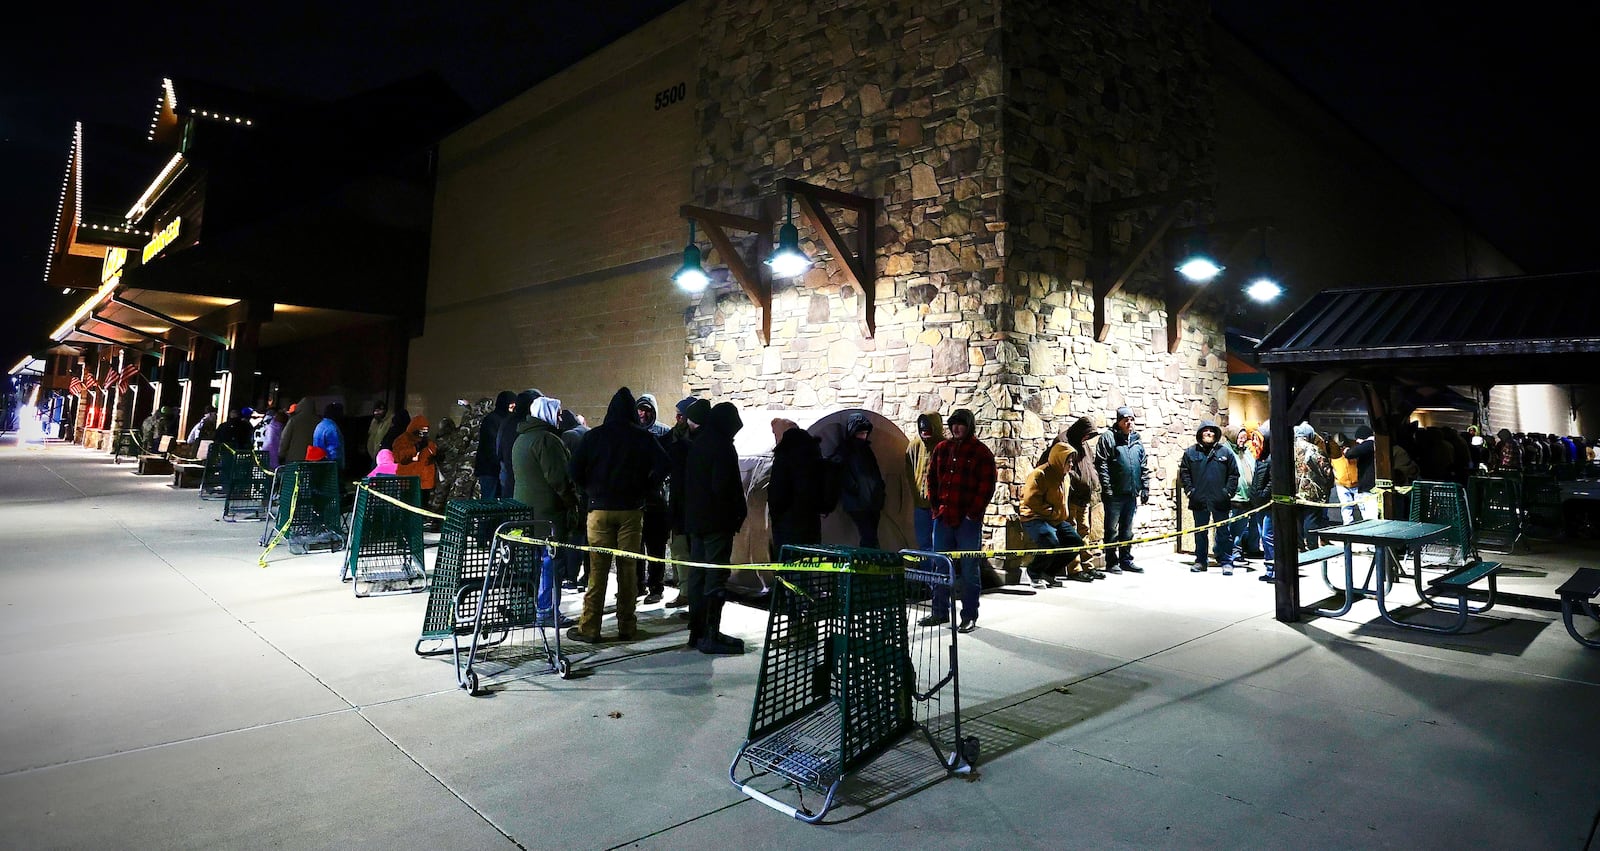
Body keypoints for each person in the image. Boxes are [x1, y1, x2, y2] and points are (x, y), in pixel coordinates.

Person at [567, 387, 668, 645]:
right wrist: (646, 489)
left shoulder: (594, 436)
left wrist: (589, 490)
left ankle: (590, 628)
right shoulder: (643, 437)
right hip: (631, 511)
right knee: (628, 569)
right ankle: (627, 627)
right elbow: (664, 464)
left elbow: (574, 469)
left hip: (599, 510)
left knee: (597, 572)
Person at [924, 408, 996, 633]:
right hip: (944, 517)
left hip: (968, 521)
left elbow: (986, 487)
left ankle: (969, 615)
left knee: (969, 568)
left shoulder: (981, 452)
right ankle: (939, 611)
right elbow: (932, 479)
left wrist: (972, 514)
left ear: (969, 426)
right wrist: (936, 508)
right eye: (953, 424)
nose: (956, 428)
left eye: (961, 424)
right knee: (940, 566)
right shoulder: (941, 449)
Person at [683, 401, 747, 653]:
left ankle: (697, 631)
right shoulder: (721, 446)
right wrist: (735, 514)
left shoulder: (699, 443)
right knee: (715, 576)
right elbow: (723, 487)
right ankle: (711, 634)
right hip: (716, 523)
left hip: (697, 523)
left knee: (698, 575)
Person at [513, 396, 578, 628]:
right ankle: (547, 610)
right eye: (558, 413)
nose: (561, 417)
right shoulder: (547, 440)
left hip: (526, 513)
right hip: (548, 515)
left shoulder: (522, 438)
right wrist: (573, 502)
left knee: (532, 564)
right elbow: (559, 479)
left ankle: (531, 608)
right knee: (551, 563)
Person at [1020, 442, 1088, 586]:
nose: (1071, 465)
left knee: (1075, 542)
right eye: (1068, 461)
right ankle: (1033, 573)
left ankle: (1048, 573)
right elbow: (1031, 500)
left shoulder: (1065, 477)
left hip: (1055, 519)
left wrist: (1060, 514)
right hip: (1034, 517)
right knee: (1050, 541)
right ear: (1059, 459)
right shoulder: (1040, 474)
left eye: (1071, 462)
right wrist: (1052, 512)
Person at [1179, 420, 1240, 574]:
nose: (1209, 433)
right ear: (1200, 433)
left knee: (1223, 533)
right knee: (1200, 533)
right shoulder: (1190, 453)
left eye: (1212, 431)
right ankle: (1200, 561)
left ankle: (1226, 561)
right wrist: (1190, 491)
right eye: (1205, 430)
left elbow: (1234, 474)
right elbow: (1184, 473)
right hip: (1199, 500)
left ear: (1216, 434)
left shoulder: (1225, 452)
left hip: (1221, 500)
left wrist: (1227, 493)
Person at [1094, 406, 1149, 574]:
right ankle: (1111, 561)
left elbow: (1143, 465)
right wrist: (1107, 488)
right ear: (1118, 421)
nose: (1129, 422)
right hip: (1115, 494)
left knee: (1127, 530)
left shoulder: (1137, 441)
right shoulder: (1108, 438)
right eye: (1125, 419)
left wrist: (1145, 486)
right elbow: (1101, 464)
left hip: (1131, 493)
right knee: (1111, 530)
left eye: (1131, 419)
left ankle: (1126, 559)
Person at [665, 398, 703, 608]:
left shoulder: (699, 442)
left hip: (692, 505)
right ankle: (685, 591)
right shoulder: (671, 438)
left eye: (682, 415)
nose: (678, 419)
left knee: (693, 551)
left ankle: (691, 595)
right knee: (679, 549)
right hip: (678, 504)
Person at [769, 417, 824, 561]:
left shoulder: (783, 456)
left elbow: (777, 493)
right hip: (811, 522)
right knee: (807, 566)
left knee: (788, 568)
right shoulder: (813, 453)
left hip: (788, 525)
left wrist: (776, 516)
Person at [635, 394, 672, 602]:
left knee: (656, 547)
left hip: (657, 501)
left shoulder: (663, 432)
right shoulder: (633, 433)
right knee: (636, 547)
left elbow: (668, 465)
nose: (643, 413)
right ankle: (637, 585)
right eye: (640, 409)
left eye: (647, 409)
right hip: (637, 501)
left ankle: (656, 587)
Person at [837, 411, 887, 548]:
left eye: (865, 433)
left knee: (871, 536)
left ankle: (870, 563)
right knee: (869, 536)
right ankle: (867, 564)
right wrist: (856, 489)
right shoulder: (846, 450)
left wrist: (879, 492)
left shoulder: (866, 450)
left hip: (870, 501)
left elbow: (875, 474)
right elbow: (843, 474)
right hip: (858, 502)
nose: (863, 436)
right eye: (860, 433)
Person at [1065, 417, 1106, 580]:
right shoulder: (1064, 441)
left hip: (1084, 497)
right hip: (1071, 496)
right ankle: (1074, 568)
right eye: (1086, 435)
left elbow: (1090, 465)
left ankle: (1087, 565)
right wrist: (1075, 484)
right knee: (1072, 533)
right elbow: (1062, 466)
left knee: (1084, 531)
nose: (1087, 438)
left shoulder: (1084, 444)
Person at [557, 407, 591, 589]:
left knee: (575, 536)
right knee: (589, 538)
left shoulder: (568, 436)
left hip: (578, 493)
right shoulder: (588, 432)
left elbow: (565, 468)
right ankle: (587, 577)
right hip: (592, 493)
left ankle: (570, 576)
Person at [904, 412, 945, 552]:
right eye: (922, 431)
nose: (925, 434)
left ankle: (940, 573)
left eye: (928, 431)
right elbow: (909, 470)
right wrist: (915, 494)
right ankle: (926, 572)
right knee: (923, 544)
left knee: (939, 545)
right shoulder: (915, 445)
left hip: (939, 507)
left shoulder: (945, 447)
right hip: (920, 506)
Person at [497, 389, 541, 497]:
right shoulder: (530, 424)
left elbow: (498, 450)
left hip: (508, 476)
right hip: (525, 481)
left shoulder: (506, 421)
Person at [475, 391, 516, 499]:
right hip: (490, 470)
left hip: (498, 468)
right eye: (511, 406)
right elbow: (490, 446)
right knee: (490, 501)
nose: (512, 410)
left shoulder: (504, 420)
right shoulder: (492, 420)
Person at [1228, 426, 1260, 567]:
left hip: (1248, 497)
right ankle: (1232, 553)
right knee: (1231, 528)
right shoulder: (1226, 451)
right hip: (1233, 497)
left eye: (1244, 437)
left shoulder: (1247, 452)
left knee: (1241, 529)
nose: (1243, 440)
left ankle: (1240, 551)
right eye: (1240, 437)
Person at [392, 415, 439, 505]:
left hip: (424, 483)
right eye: (422, 430)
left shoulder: (427, 442)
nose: (424, 432)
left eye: (426, 430)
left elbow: (432, 453)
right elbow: (399, 457)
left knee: (422, 506)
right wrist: (415, 449)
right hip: (408, 481)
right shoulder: (403, 439)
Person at [1250, 421, 1276, 582]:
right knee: (1264, 536)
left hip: (1267, 504)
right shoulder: (1260, 457)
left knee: (1268, 536)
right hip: (1259, 503)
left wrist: (1262, 495)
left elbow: (1272, 482)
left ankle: (1275, 569)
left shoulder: (1272, 458)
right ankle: (1270, 569)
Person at [1329, 432, 1362, 524]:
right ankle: (1348, 528)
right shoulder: (1332, 451)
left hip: (1357, 483)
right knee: (1346, 507)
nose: (1341, 448)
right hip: (1341, 484)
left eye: (1342, 446)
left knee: (1363, 506)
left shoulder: (1355, 448)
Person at [278, 396, 318, 466]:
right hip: (312, 460)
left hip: (293, 459)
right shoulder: (319, 421)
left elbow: (285, 438)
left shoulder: (294, 420)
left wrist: (281, 454)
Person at [313, 402, 346, 470]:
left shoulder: (320, 425)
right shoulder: (332, 428)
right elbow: (334, 450)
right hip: (330, 466)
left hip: (319, 462)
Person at [366, 401, 392, 475]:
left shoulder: (390, 420)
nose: (377, 413)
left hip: (383, 454)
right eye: (376, 411)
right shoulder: (374, 421)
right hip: (374, 453)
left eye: (380, 410)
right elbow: (371, 435)